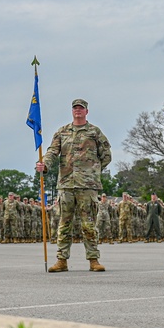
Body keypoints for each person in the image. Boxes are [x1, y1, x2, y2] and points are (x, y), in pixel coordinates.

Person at [36, 98, 111, 273]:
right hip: (66, 184)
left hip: (87, 185)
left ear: (86, 111)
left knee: (89, 224)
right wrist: (44, 165)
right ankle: (61, 260)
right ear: (72, 111)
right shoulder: (62, 132)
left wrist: (93, 171)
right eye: (75, 108)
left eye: (81, 108)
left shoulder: (94, 132)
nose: (78, 110)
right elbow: (52, 151)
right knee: (64, 223)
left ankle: (94, 260)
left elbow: (106, 154)